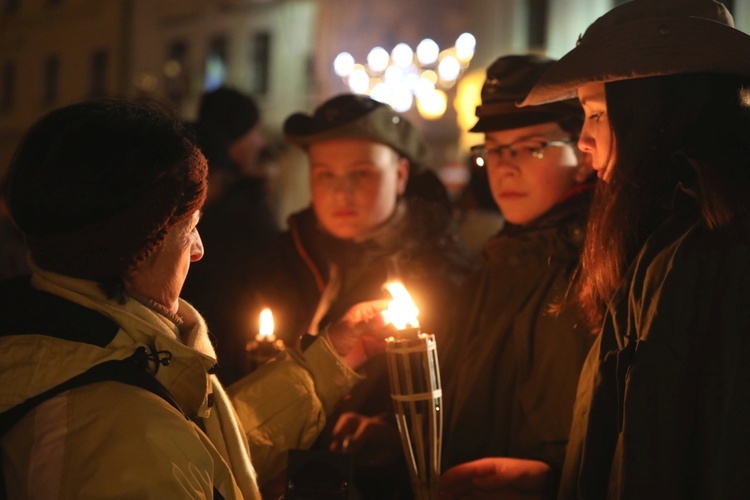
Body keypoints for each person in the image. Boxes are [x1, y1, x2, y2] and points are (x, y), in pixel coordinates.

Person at [0, 98, 395, 498]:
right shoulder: (120, 432)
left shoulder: (80, 342)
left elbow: (204, 454)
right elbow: (158, 449)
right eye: (189, 228)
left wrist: (326, 364)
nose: (199, 249)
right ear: (138, 246)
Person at [445, 0, 750, 497]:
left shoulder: (702, 252)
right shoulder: (662, 241)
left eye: (596, 114)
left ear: (653, 110)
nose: (585, 141)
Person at [227, 93, 477, 498]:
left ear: (399, 174)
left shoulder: (447, 276)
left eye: (361, 174)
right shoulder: (274, 262)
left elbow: (468, 403)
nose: (341, 192)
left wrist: (394, 433)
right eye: (325, 174)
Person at [437, 54, 596, 500]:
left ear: (583, 156)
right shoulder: (498, 260)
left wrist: (553, 481)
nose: (505, 167)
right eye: (494, 149)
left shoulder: (598, 265)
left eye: (530, 147)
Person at [180, 87, 280, 384]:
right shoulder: (244, 203)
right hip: (228, 349)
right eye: (254, 131)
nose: (260, 141)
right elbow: (268, 264)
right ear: (236, 138)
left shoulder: (179, 181)